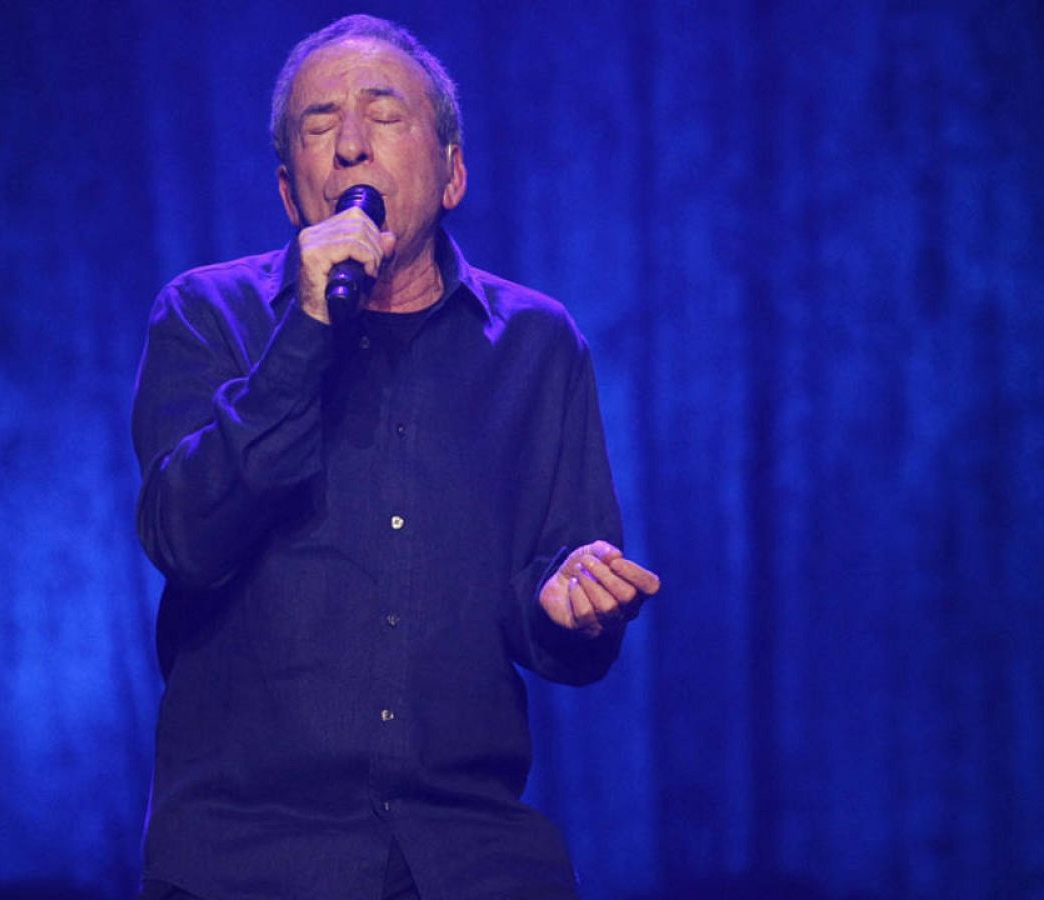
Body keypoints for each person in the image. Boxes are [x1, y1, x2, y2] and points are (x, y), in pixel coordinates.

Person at [130, 14, 660, 900]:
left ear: (452, 174)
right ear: (290, 192)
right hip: (249, 856)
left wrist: (572, 608)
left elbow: (558, 623)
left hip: (468, 851)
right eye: (318, 124)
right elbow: (185, 538)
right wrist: (305, 329)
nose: (350, 145)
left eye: (384, 115)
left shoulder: (536, 346)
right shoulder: (205, 316)